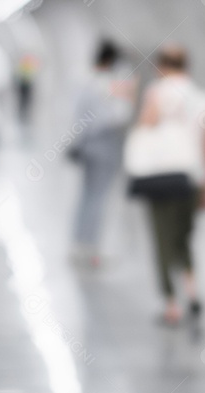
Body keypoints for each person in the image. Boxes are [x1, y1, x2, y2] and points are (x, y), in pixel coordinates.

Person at [135, 44, 205, 325]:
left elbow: (146, 127)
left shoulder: (157, 93)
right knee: (184, 238)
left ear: (161, 66)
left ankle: (171, 303)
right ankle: (192, 291)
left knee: (162, 238)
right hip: (193, 179)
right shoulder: (204, 100)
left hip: (163, 176)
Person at [68, 40, 135, 267]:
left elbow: (78, 116)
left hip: (87, 144)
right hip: (105, 144)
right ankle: (92, 250)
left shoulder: (85, 80)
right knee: (99, 197)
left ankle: (78, 245)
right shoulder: (111, 84)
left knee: (86, 197)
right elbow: (119, 116)